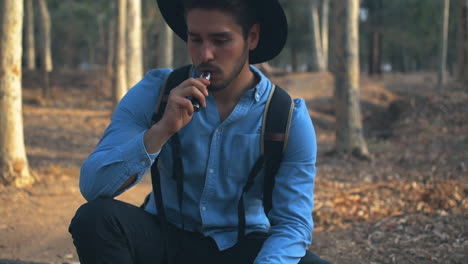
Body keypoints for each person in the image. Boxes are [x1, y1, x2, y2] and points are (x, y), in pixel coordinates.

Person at [69, 0, 330, 263]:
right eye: (195, 40)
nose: (205, 55)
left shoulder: (287, 116)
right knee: (96, 219)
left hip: (242, 245)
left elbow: (293, 224)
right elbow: (93, 186)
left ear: (252, 37)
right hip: (165, 239)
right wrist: (160, 131)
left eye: (220, 40)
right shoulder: (157, 92)